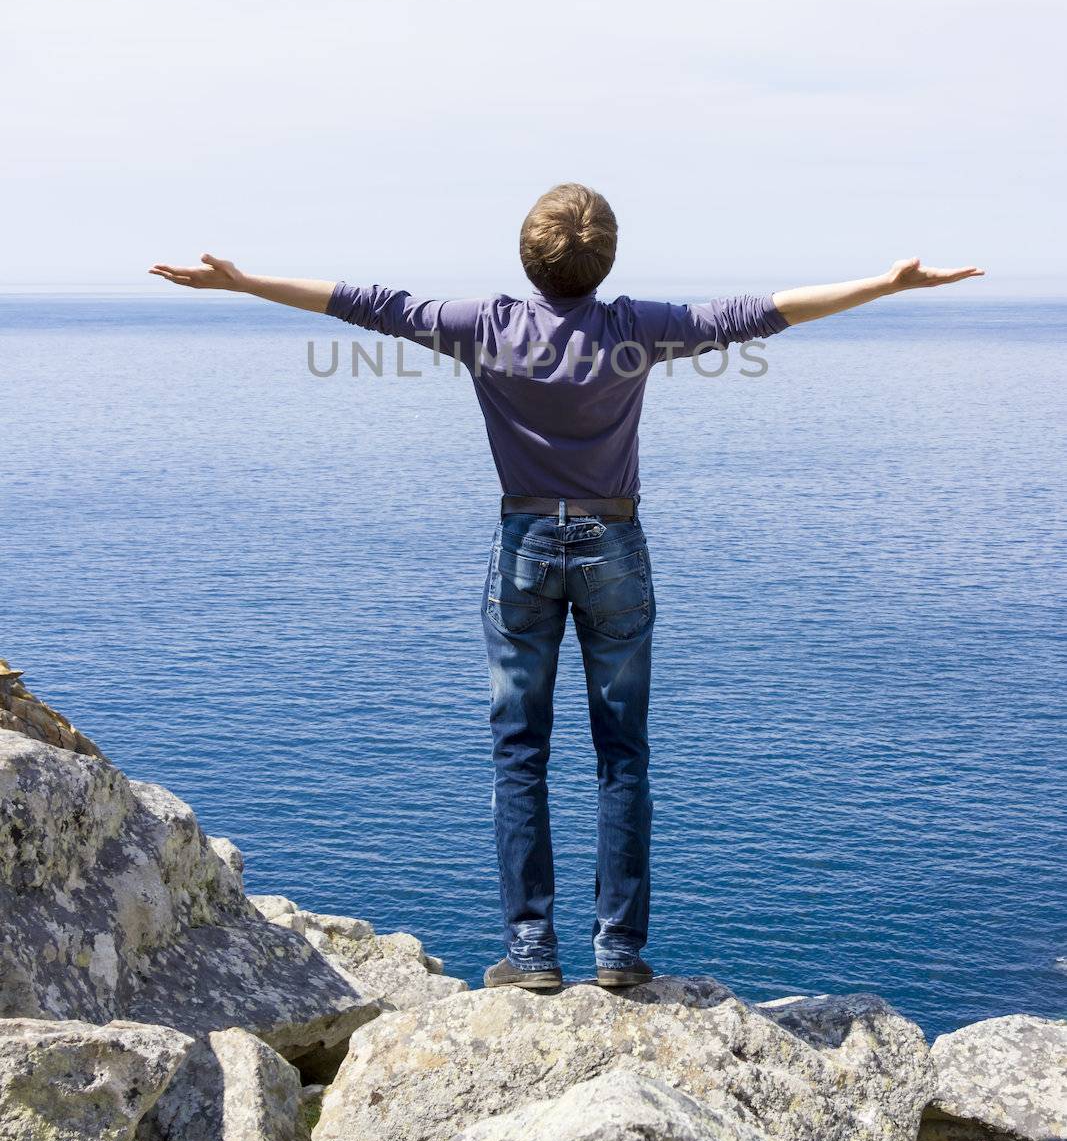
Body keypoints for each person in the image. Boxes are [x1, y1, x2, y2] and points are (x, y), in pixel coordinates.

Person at [149, 181, 982, 993]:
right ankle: (618, 952)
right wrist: (883, 283)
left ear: (527, 259)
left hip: (523, 549)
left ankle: (531, 951)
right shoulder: (636, 329)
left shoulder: (486, 326)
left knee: (520, 751)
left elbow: (363, 303)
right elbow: (763, 311)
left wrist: (244, 281)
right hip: (613, 542)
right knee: (622, 754)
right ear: (605, 261)